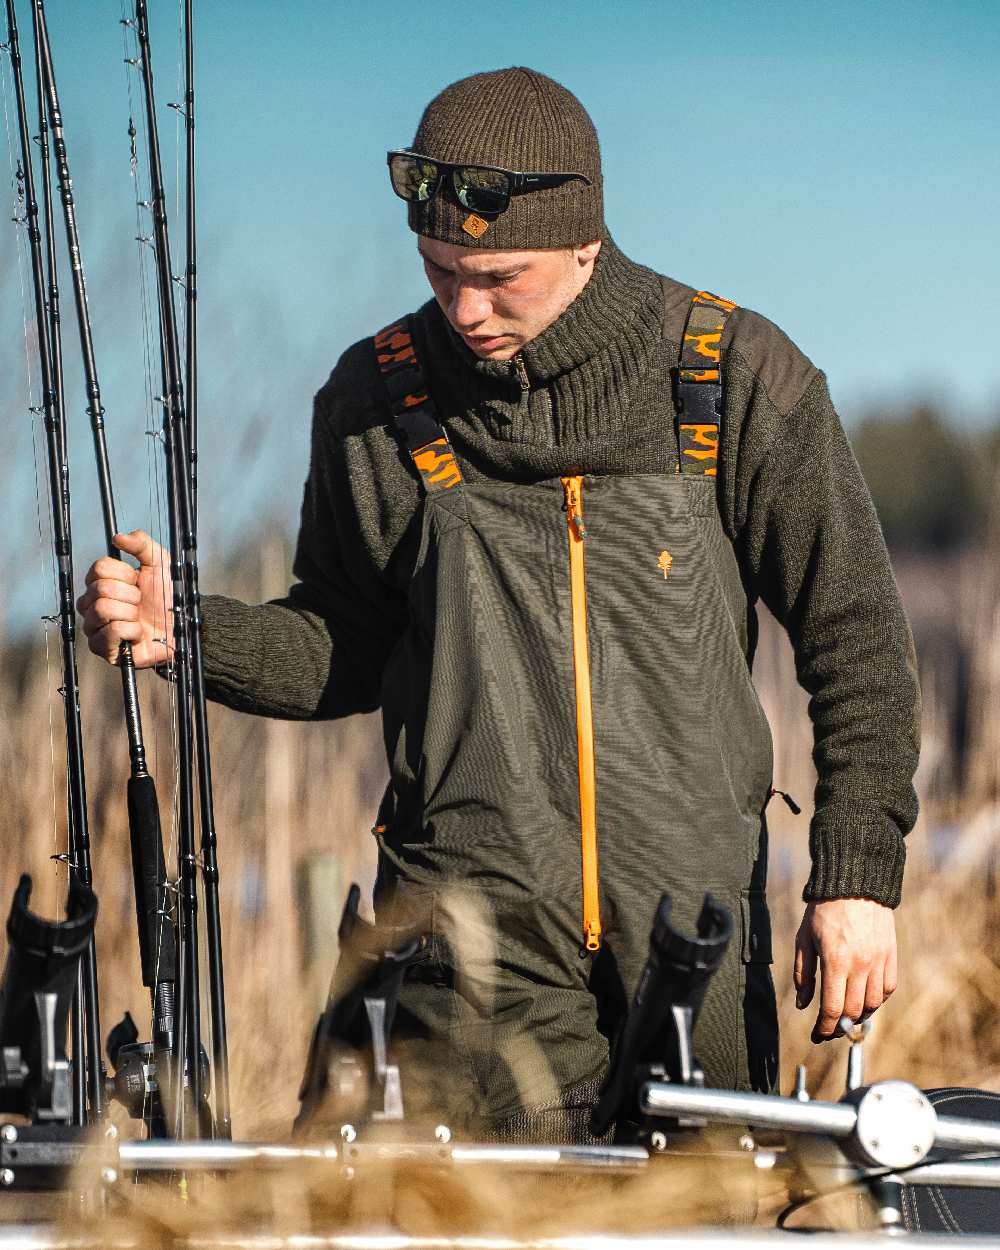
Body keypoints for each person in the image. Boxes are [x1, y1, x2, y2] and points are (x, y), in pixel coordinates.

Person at [77, 68, 919, 1141]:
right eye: (438, 273)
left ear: (583, 243)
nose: (465, 310)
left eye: (499, 277)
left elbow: (857, 641)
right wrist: (182, 629)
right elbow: (343, 647)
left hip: (694, 948)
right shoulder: (372, 400)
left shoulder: (737, 374)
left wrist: (855, 878)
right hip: (464, 961)